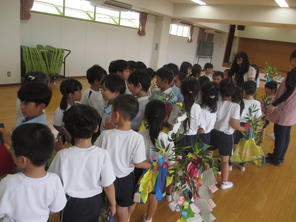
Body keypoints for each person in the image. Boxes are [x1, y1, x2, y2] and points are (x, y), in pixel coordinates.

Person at [49, 104, 116, 222]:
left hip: (70, 202)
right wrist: (113, 204)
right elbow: (108, 184)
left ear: (69, 130)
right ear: (96, 128)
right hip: (95, 201)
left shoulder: (62, 155)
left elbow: (52, 181)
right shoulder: (102, 154)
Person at [95, 95, 150, 222]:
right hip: (125, 180)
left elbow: (96, 152)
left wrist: (109, 131)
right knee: (122, 209)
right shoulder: (137, 138)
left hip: (107, 180)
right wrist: (150, 165)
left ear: (117, 115)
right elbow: (138, 163)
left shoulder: (105, 135)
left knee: (106, 207)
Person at [0, 123, 66, 221]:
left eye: (12, 149)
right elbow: (56, 208)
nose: (11, 151)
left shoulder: (8, 183)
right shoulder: (55, 180)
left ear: (23, 160)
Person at [139, 100, 174, 222]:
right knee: (153, 197)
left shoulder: (140, 134)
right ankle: (148, 219)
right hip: (159, 172)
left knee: (137, 194)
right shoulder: (166, 137)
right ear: (165, 118)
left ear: (145, 117)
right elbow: (171, 161)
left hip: (141, 170)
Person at [210, 79, 248, 190]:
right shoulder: (235, 106)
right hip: (226, 136)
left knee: (208, 156)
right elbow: (234, 124)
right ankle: (224, 182)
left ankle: (203, 179)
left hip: (213, 132)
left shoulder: (216, 101)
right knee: (225, 160)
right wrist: (243, 129)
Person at [266, 50, 296, 165]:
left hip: (285, 108)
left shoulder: (293, 73)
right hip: (291, 109)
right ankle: (279, 156)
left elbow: (288, 92)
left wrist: (274, 104)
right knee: (286, 133)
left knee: (280, 133)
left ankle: (276, 159)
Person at [176, 78, 201, 152]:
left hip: (179, 137)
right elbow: (198, 124)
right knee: (190, 161)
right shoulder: (197, 107)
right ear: (197, 92)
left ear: (181, 91)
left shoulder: (177, 106)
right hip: (192, 138)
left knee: (177, 160)